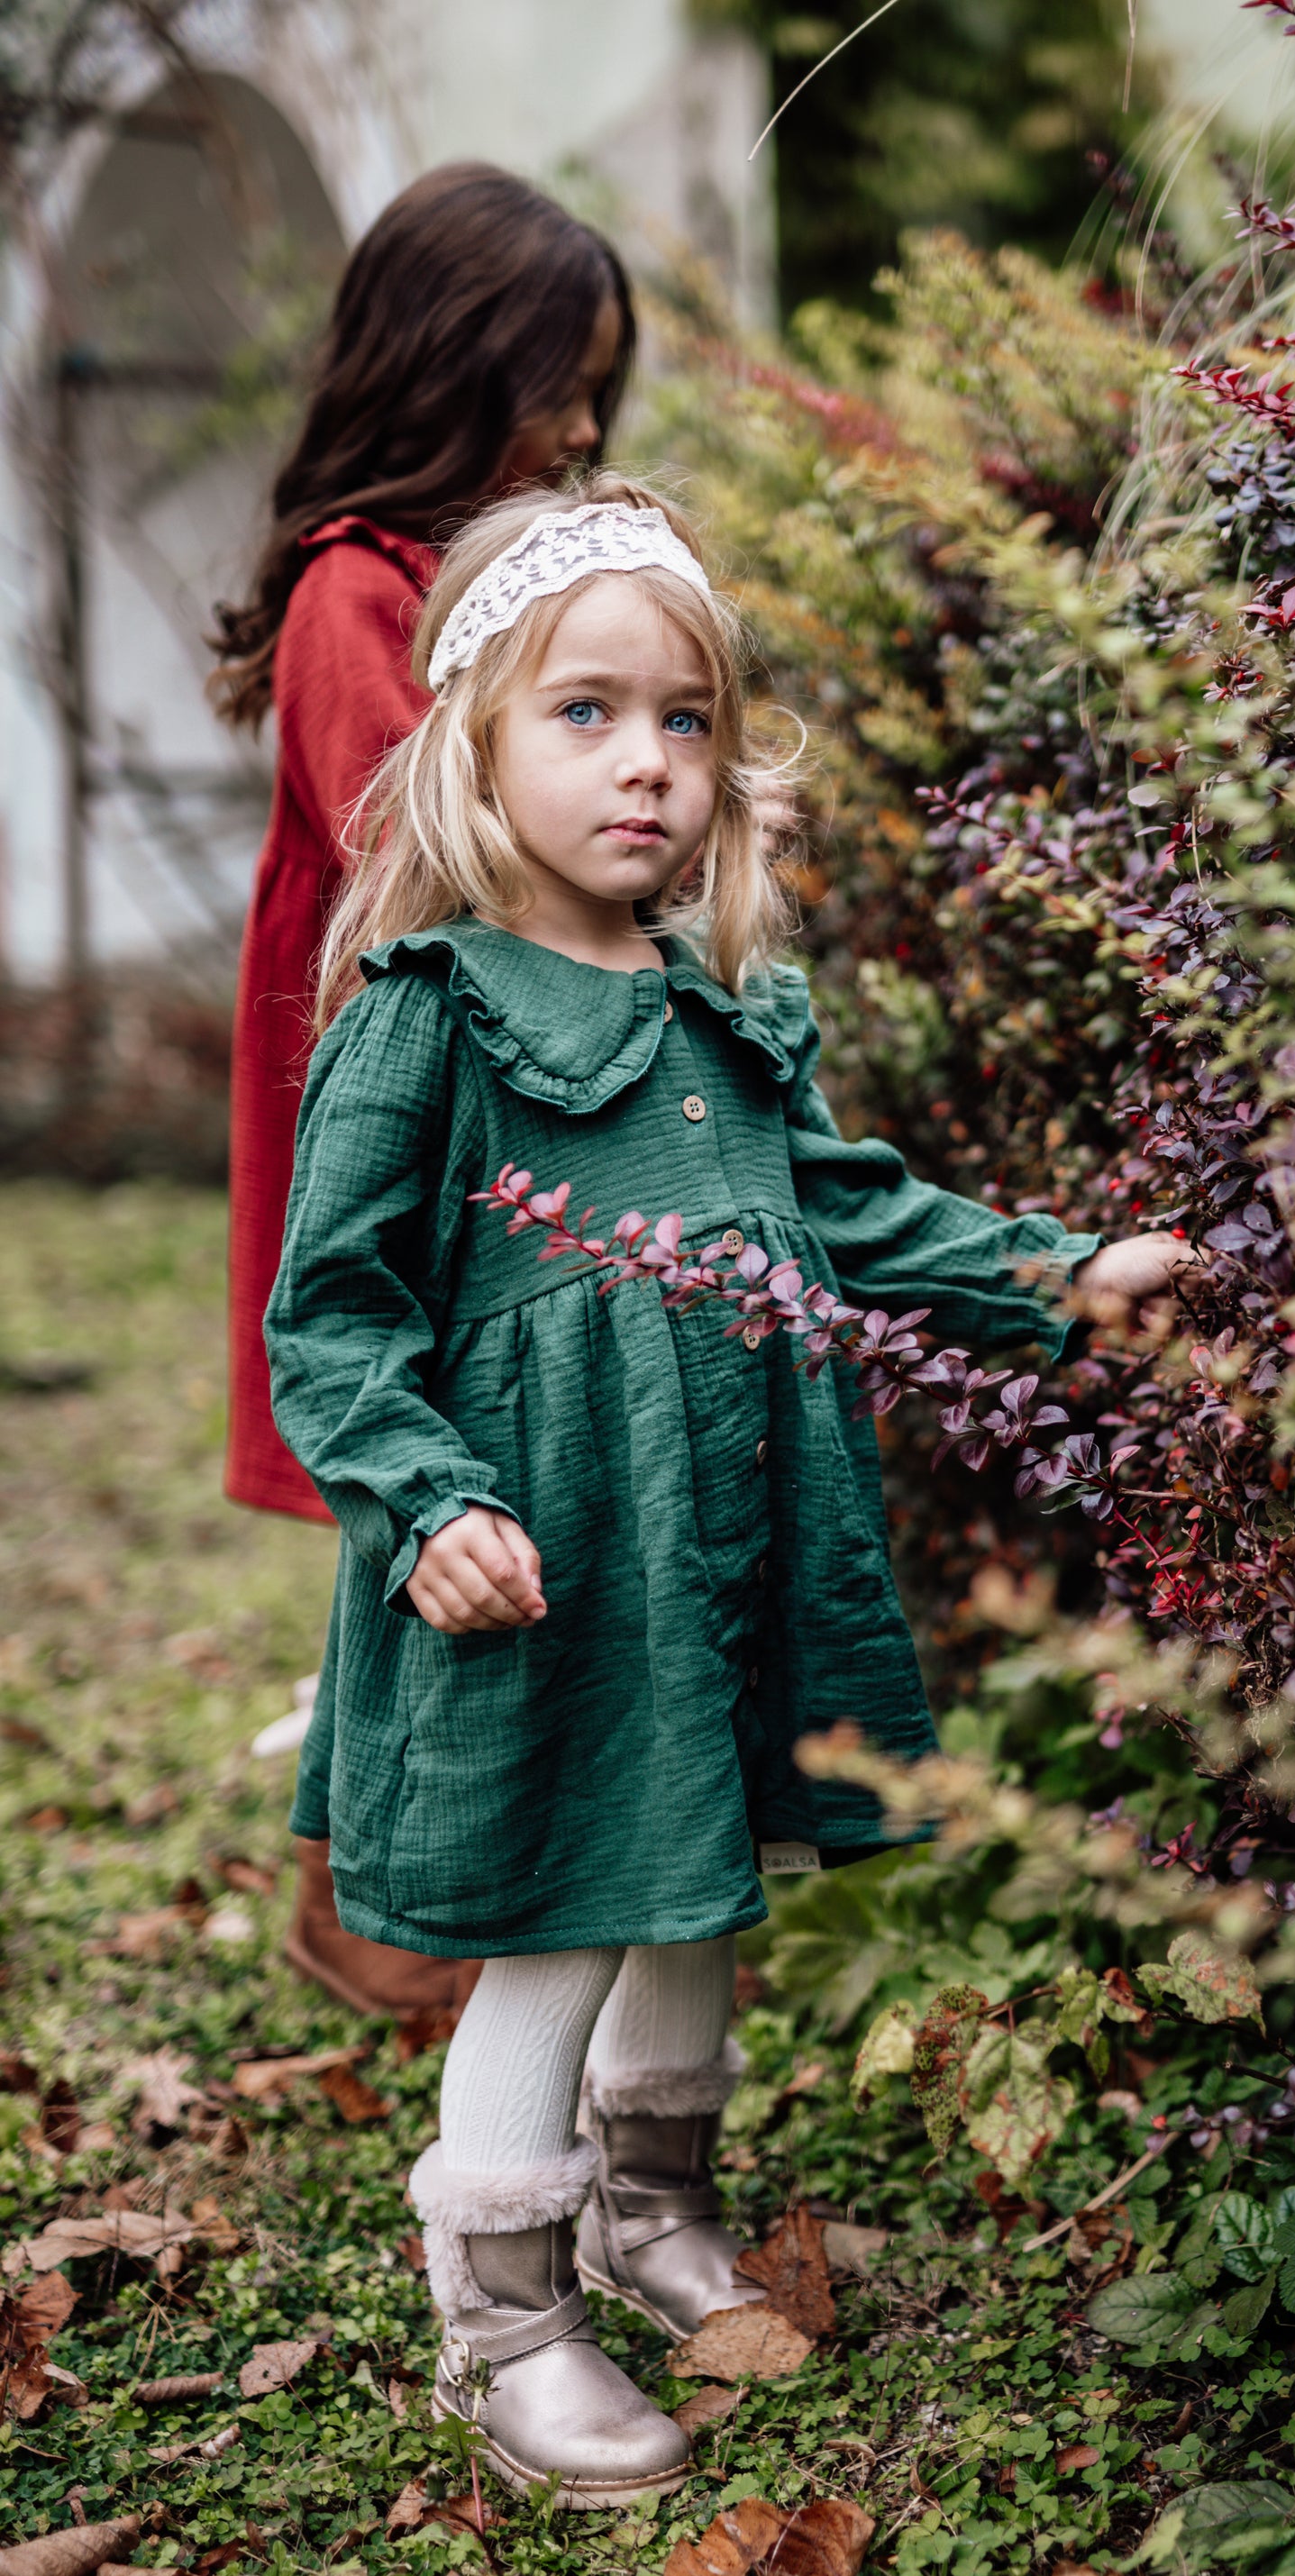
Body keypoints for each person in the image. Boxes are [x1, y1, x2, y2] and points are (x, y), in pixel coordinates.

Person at [263, 473, 1194, 2506]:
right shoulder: (429, 1027)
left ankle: (648, 2199)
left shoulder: (727, 1015)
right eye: (586, 713)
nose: (648, 765)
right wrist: (427, 1507)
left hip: (724, 1537)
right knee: (570, 1913)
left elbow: (853, 1216)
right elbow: (331, 1324)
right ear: (475, 743)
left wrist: (1057, 1275)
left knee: (705, 1867)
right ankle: (497, 2303)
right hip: (544, 1561)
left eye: (685, 718)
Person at [209, 163, 634, 2020]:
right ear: (451, 370)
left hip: (498, 1094)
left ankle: (454, 1904)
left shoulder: (474, 593)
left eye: (604, 387)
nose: (588, 428)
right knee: (419, 1496)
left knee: (486, 1498)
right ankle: (371, 1929)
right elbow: (429, 839)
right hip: (399, 1117)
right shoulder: (354, 594)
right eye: (562, 382)